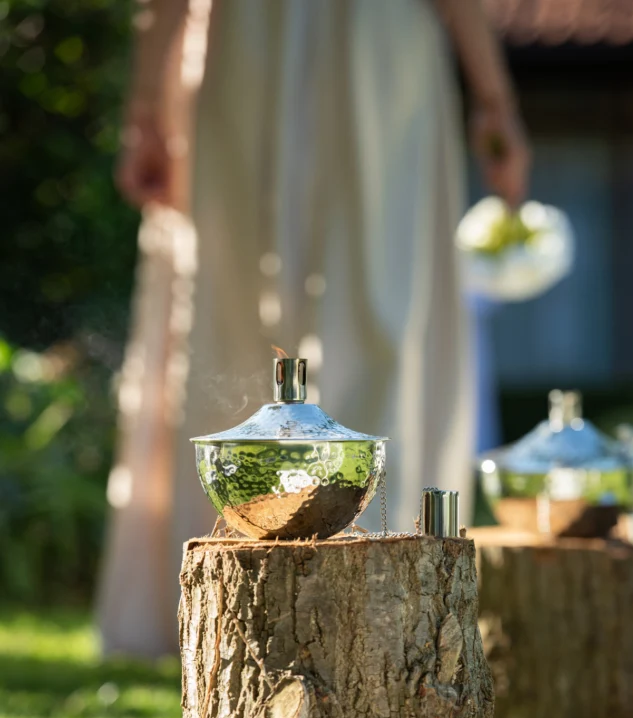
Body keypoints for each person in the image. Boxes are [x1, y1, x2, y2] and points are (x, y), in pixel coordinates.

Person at [99, 0, 529, 657]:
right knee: (233, 309)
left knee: (372, 314)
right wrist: (145, 113)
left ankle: (385, 596)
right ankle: (223, 604)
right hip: (258, 43)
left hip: (364, 46)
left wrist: (495, 101)